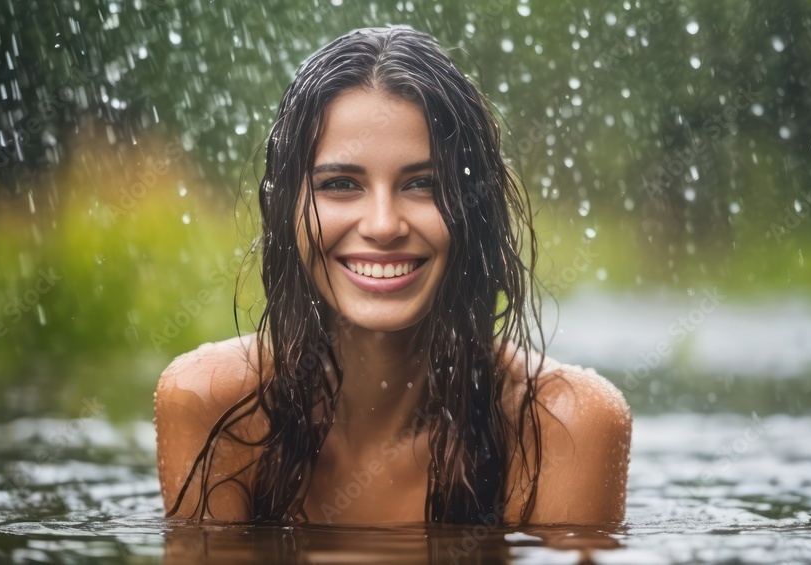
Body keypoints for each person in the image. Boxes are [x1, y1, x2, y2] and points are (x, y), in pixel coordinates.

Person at [154, 25, 631, 526]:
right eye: (340, 184)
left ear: (476, 212)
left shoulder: (563, 425)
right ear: (285, 211)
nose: (383, 226)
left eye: (423, 184)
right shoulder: (212, 403)